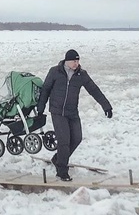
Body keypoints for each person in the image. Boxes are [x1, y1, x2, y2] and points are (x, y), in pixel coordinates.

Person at [36, 49, 113, 182]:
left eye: (78, 61)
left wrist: (106, 106)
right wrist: (40, 108)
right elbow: (46, 89)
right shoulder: (55, 71)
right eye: (74, 61)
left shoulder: (81, 75)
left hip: (72, 112)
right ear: (67, 61)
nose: (76, 63)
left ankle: (58, 159)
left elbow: (94, 90)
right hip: (57, 111)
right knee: (64, 140)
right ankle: (62, 171)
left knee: (77, 138)